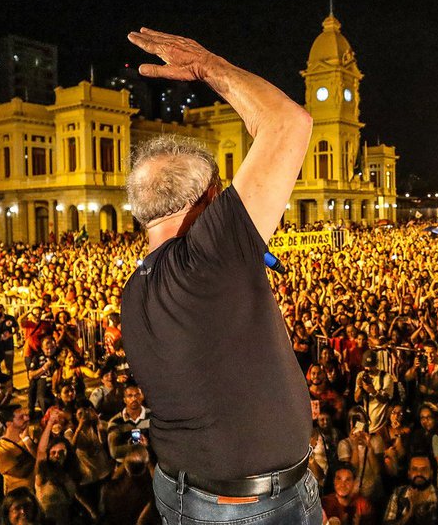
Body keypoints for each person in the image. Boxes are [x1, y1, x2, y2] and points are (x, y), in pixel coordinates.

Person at [121, 27, 317, 524]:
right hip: (250, 509)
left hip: (187, 493)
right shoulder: (206, 262)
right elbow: (289, 124)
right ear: (209, 201)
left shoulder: (135, 289)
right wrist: (208, 64)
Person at [382, 453, 438, 525]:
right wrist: (410, 513)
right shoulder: (398, 494)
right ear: (409, 473)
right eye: (414, 469)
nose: (419, 473)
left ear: (431, 473)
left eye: (424, 469)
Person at [0, 406, 36, 495]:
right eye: (21, 417)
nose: (27, 418)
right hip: (22, 495)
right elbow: (21, 472)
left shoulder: (33, 432)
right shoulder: (0, 450)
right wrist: (37, 453)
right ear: (8, 423)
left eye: (26, 415)